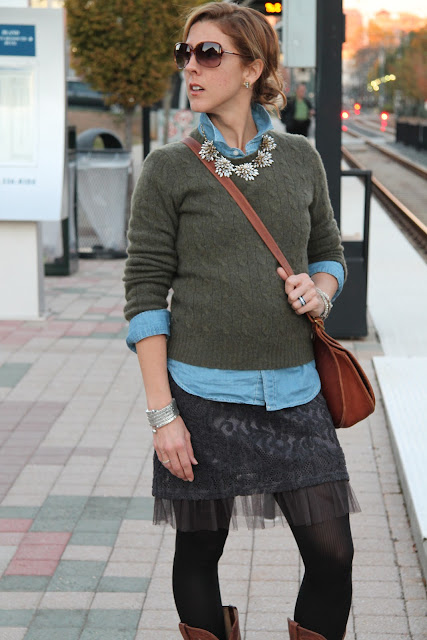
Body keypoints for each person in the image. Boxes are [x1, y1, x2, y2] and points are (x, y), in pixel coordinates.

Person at [123, 3, 360, 640]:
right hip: (201, 399)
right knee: (200, 554)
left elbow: (328, 253)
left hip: (295, 395)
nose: (191, 68)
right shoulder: (168, 170)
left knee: (333, 555)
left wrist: (322, 288)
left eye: (209, 54)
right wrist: (161, 414)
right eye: (186, 53)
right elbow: (145, 290)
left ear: (253, 67)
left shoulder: (300, 158)